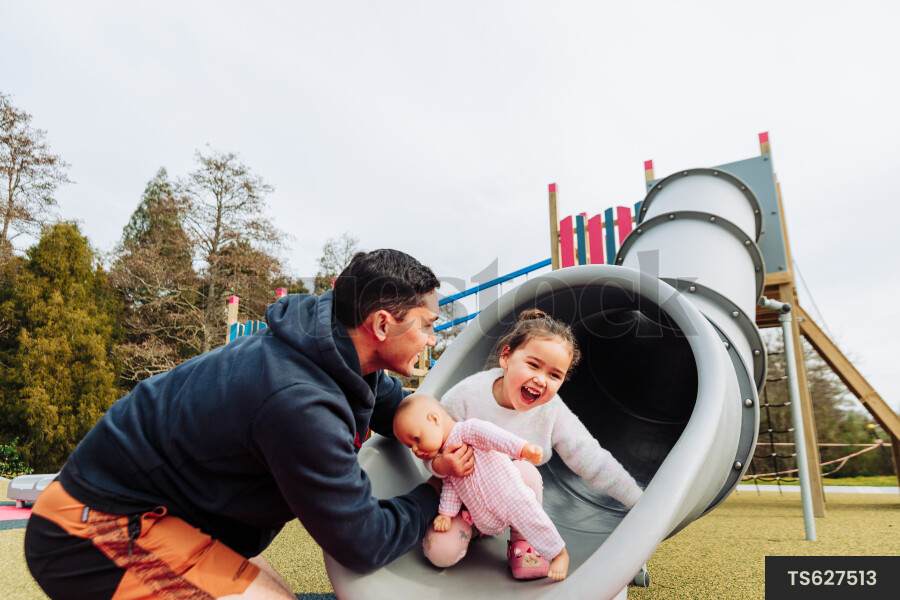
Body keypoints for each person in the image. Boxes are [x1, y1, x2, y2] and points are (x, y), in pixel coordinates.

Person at [24, 249, 474, 600]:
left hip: (160, 515)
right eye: (428, 326)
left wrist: (458, 436)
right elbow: (362, 541)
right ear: (381, 325)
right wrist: (435, 492)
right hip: (93, 532)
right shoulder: (299, 403)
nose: (433, 339)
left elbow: (398, 409)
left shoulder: (337, 351)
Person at [424, 308, 643, 579]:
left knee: (525, 470)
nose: (541, 380)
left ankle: (523, 539)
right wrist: (439, 464)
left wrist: (639, 501)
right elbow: (427, 441)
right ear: (506, 357)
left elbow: (590, 457)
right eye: (533, 364)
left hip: (515, 498)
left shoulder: (551, 410)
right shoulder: (465, 397)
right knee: (439, 552)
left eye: (554, 375)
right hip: (464, 497)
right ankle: (476, 526)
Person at [394, 393, 570, 582]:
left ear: (434, 419)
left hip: (509, 494)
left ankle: (559, 553)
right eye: (409, 446)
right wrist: (446, 513)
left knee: (532, 517)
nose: (414, 449)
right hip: (481, 512)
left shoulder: (468, 431)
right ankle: (476, 531)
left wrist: (522, 448)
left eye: (416, 439)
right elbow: (451, 486)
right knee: (450, 534)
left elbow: (494, 436)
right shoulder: (445, 455)